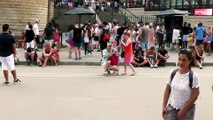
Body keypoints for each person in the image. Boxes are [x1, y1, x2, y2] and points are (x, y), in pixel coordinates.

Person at [162, 49, 200, 120]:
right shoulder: (173, 73)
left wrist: (183, 111)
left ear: (190, 60)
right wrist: (164, 106)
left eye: (184, 60)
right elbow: (167, 90)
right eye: (179, 59)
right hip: (172, 108)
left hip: (187, 109)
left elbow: (195, 95)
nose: (181, 62)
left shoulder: (193, 76)